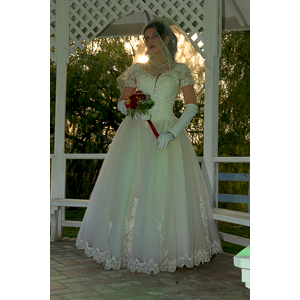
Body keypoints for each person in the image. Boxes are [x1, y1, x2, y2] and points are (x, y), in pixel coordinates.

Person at [76, 17, 222, 275]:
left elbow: (191, 106)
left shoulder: (180, 70)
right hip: (136, 134)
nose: (149, 42)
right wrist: (134, 111)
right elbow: (122, 102)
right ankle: (127, 249)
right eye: (146, 38)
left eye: (154, 36)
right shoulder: (136, 70)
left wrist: (173, 133)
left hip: (167, 134)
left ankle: (164, 251)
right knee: (130, 188)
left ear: (166, 38)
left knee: (164, 190)